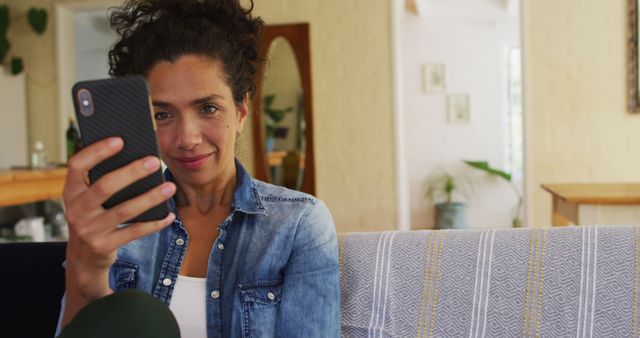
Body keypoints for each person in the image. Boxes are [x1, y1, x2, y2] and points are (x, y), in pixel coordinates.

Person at [55, 0, 341, 337]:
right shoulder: (115, 226)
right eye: (162, 114)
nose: (187, 138)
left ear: (241, 110)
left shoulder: (297, 225)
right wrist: (84, 275)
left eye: (207, 108)